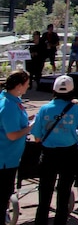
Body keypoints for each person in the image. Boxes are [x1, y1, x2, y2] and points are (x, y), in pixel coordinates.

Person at [31, 75, 78, 225]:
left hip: (48, 154)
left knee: (44, 192)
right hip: (69, 154)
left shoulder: (44, 109)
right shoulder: (76, 109)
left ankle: (41, 221)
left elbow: (36, 138)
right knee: (64, 193)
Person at [1, 70, 31, 225]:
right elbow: (12, 135)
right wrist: (30, 128)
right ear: (19, 86)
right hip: (5, 158)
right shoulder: (8, 105)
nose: (28, 87)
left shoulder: (12, 100)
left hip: (10, 157)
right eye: (27, 84)